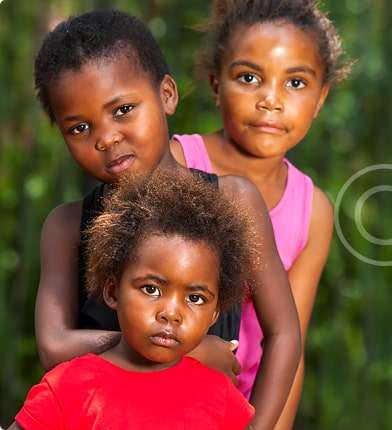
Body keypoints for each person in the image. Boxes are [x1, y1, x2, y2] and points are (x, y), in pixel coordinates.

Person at [32, 9, 300, 428]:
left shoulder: (234, 200)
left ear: (167, 95)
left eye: (123, 109)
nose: (106, 138)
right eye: (80, 128)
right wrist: (187, 349)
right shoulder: (67, 226)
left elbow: (284, 333)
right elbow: (53, 346)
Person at [172, 0, 351, 425]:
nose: (271, 100)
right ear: (216, 85)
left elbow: (289, 344)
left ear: (321, 98)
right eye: (249, 78)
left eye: (295, 83)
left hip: (246, 411)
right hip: (160, 398)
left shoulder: (312, 210)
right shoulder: (177, 164)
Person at [10, 169, 257, 429]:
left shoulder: (223, 399)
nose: (171, 313)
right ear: (112, 291)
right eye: (151, 289)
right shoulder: (67, 388)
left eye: (195, 298)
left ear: (215, 313)